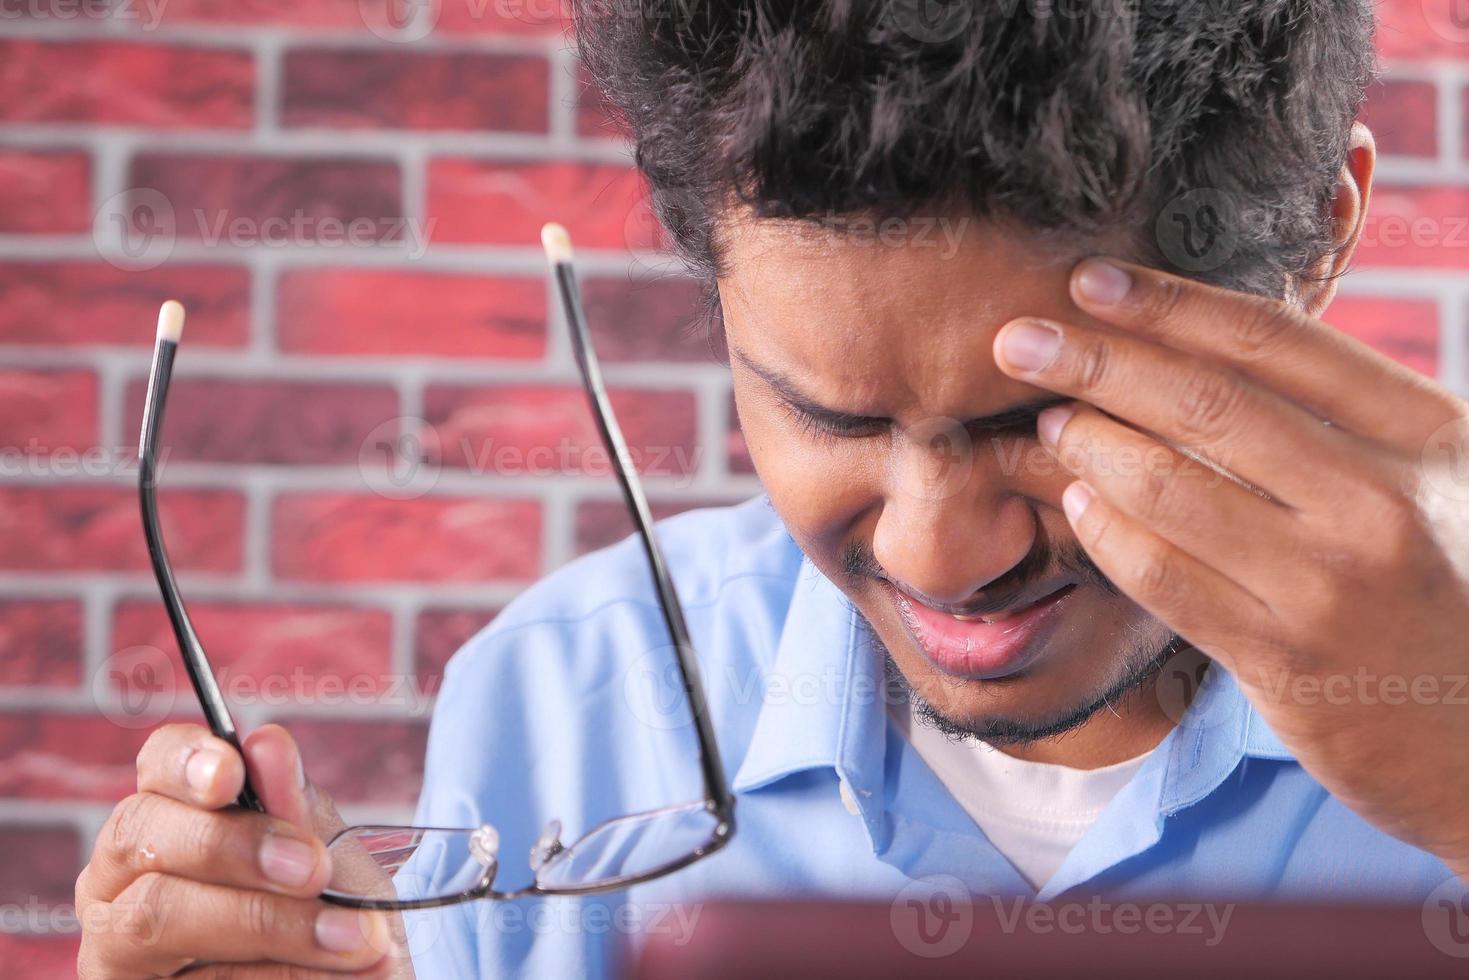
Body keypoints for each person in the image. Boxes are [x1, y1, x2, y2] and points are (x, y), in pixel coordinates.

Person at [77, 1, 1469, 976]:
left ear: (1317, 242)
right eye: (825, 412)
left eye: (1044, 414)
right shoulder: (565, 707)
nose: (941, 552)